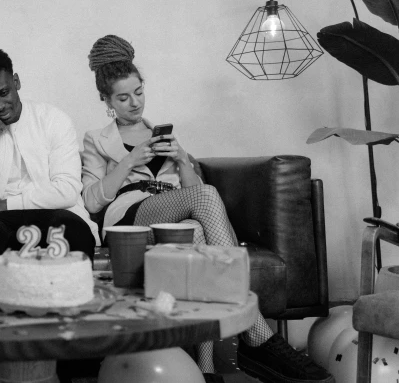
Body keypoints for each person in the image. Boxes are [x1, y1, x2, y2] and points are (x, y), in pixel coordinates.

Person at [82, 35, 333, 383]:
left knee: (199, 232)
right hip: (130, 216)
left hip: (173, 210)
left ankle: (206, 368)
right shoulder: (96, 139)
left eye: (139, 92)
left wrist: (182, 160)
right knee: (206, 197)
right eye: (123, 98)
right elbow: (92, 200)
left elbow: (194, 194)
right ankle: (257, 333)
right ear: (106, 100)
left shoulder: (161, 135)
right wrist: (128, 161)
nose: (134, 102)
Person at [0, 47, 99, 271]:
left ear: (16, 81)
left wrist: (5, 204)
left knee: (74, 231)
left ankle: (70, 305)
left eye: (3, 93)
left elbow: (67, 191)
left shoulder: (53, 119)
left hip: (57, 213)